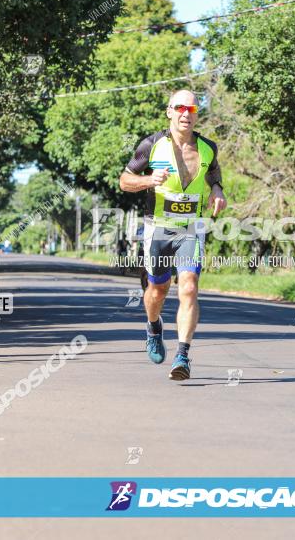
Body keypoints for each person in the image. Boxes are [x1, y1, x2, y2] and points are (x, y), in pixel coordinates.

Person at [119, 90, 227, 381]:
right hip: (158, 228)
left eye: (191, 109)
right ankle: (154, 326)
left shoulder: (207, 148)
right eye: (179, 108)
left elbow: (214, 175)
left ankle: (182, 355)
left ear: (196, 114)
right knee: (157, 291)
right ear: (169, 112)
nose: (185, 114)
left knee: (189, 287)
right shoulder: (151, 145)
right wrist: (146, 180)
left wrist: (217, 191)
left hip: (191, 227)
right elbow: (124, 180)